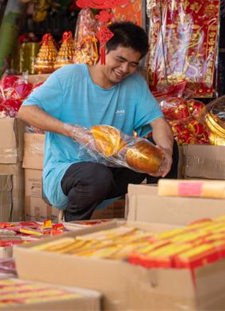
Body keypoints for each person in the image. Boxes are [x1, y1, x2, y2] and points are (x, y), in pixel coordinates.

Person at [17, 22, 177, 221]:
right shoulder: (69, 77)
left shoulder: (134, 83)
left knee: (163, 150)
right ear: (103, 50)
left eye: (133, 64)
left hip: (111, 172)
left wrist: (166, 150)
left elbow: (158, 122)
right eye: (120, 59)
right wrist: (72, 131)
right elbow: (25, 111)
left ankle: (161, 222)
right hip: (66, 175)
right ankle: (72, 227)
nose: (124, 69)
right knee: (96, 174)